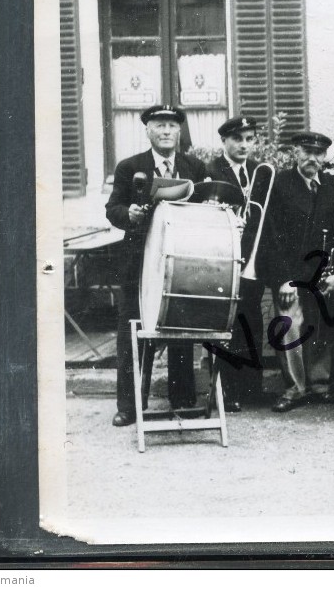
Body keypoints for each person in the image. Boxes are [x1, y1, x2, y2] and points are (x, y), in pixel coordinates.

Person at [105, 104, 208, 427]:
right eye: (159, 125)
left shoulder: (194, 166)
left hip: (181, 260)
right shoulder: (129, 166)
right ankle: (130, 405)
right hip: (139, 262)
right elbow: (113, 208)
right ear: (148, 130)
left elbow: (206, 206)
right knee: (132, 329)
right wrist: (128, 215)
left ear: (180, 131)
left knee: (180, 323)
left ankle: (182, 400)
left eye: (172, 126)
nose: (166, 131)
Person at [258, 131, 334, 413]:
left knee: (321, 324)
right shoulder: (280, 184)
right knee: (289, 326)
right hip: (290, 273)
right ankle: (295, 387)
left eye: (319, 153)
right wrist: (283, 280)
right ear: (295, 152)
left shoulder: (332, 185)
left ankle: (319, 384)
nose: (312, 158)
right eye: (306, 152)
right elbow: (271, 236)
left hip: (322, 272)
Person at [204, 115, 266, 410]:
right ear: (224, 142)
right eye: (237, 139)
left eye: (249, 139)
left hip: (252, 258)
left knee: (251, 320)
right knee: (225, 323)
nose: (244, 145)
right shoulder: (211, 171)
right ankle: (227, 391)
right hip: (224, 258)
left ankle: (253, 388)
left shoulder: (259, 171)